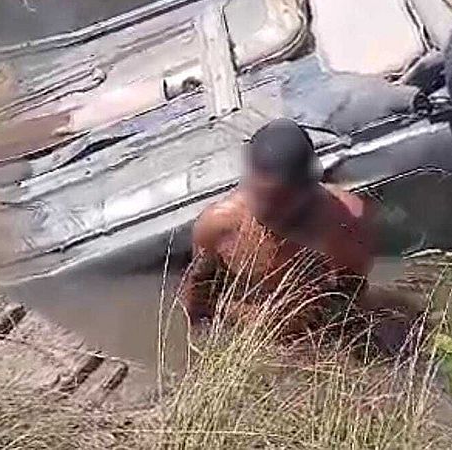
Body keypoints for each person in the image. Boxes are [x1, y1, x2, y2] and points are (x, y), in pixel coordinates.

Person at [179, 118, 422, 355]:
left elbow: (352, 292)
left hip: (318, 338)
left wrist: (324, 344)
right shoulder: (217, 225)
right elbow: (199, 293)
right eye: (259, 197)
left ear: (311, 187)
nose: (267, 211)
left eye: (280, 201)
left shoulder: (348, 223)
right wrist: (206, 348)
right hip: (253, 338)